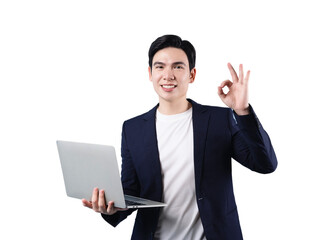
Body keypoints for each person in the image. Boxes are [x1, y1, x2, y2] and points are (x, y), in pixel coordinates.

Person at [82, 34, 277, 239]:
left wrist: (242, 111)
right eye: (160, 67)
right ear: (150, 73)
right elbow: (133, 190)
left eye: (177, 67)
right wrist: (111, 207)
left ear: (192, 75)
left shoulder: (220, 120)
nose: (168, 75)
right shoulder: (133, 128)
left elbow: (265, 164)